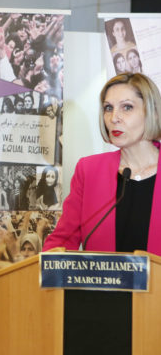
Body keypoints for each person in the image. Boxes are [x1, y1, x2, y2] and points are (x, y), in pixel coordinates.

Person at [44, 72, 161, 253]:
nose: (114, 118)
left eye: (127, 107)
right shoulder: (89, 171)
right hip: (101, 282)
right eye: (108, 108)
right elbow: (62, 241)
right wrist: (52, 258)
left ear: (152, 112)